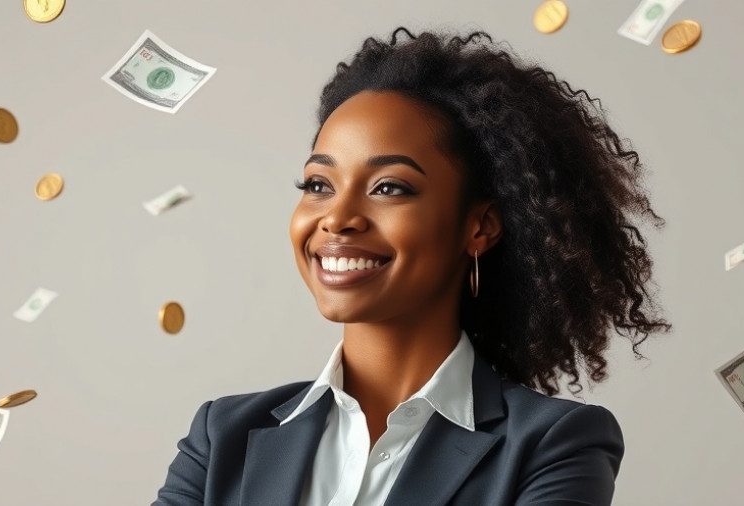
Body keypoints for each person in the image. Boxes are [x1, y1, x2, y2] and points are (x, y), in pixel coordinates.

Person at [152, 27, 671, 506]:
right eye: (318, 185)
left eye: (389, 188)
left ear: (480, 226)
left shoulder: (555, 445)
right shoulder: (222, 436)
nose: (338, 218)